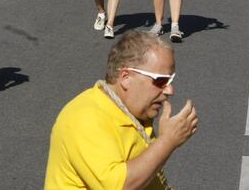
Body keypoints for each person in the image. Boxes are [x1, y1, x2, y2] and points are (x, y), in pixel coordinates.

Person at [44, 30, 198, 189]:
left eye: (170, 80)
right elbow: (118, 186)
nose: (170, 90)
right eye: (160, 81)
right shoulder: (85, 118)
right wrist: (167, 141)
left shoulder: (135, 113)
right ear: (126, 78)